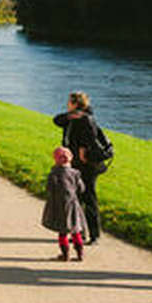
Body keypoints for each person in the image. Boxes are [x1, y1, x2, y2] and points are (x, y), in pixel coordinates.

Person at [53, 92, 104, 243]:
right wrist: (70, 116)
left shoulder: (86, 119)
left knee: (88, 198)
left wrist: (83, 150)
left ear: (75, 103)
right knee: (76, 199)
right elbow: (57, 120)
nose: (67, 104)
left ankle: (94, 234)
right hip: (74, 164)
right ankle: (79, 233)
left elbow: (90, 137)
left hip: (87, 165)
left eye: (69, 102)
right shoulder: (72, 118)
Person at [42, 147, 87, 261]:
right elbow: (81, 188)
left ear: (56, 159)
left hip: (58, 205)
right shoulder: (75, 173)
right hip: (73, 204)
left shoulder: (54, 174)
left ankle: (65, 253)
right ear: (70, 159)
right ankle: (80, 252)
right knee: (75, 230)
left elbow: (49, 188)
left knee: (62, 232)